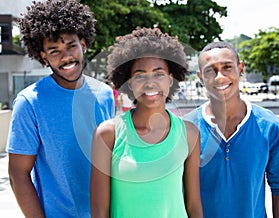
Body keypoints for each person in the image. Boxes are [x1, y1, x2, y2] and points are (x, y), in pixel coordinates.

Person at [6, 0, 114, 217]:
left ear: (83, 44)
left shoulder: (103, 94)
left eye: (71, 46)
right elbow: (18, 173)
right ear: (44, 57)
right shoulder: (29, 102)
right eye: (54, 51)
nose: (66, 57)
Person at [90, 27, 203, 218]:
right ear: (130, 83)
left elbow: (193, 205)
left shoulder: (189, 133)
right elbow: (100, 212)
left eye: (158, 74)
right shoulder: (108, 134)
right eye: (140, 75)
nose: (150, 83)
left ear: (170, 79)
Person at [183, 41, 279, 217]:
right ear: (200, 77)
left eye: (227, 67)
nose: (220, 77)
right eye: (211, 70)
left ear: (240, 69)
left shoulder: (271, 127)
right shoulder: (185, 129)